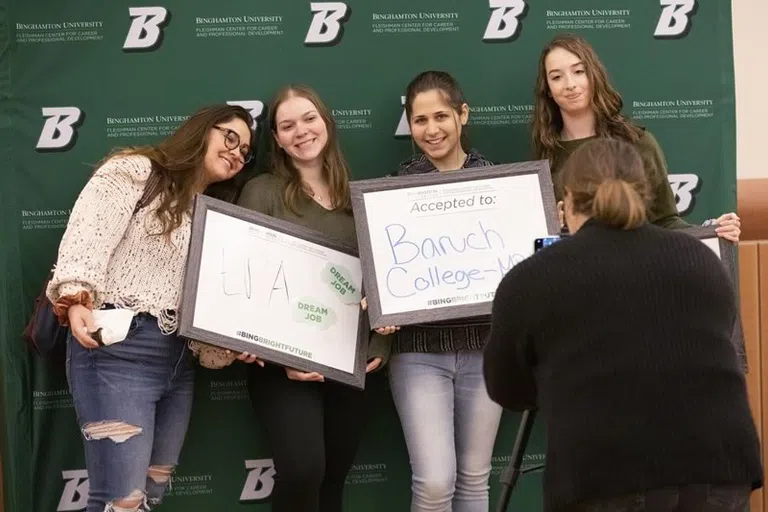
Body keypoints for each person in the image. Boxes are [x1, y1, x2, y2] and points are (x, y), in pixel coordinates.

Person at [483, 138, 763, 512]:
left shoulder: (531, 279)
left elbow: (508, 389)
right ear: (649, 194)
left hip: (603, 480)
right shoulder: (701, 260)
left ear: (565, 202)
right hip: (719, 473)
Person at [45, 104, 256, 512]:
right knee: (120, 501)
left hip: (178, 362)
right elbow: (88, 236)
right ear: (200, 129)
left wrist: (230, 344)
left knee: (149, 496)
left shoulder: (217, 218)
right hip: (117, 351)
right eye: (230, 136)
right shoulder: (137, 171)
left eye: (245, 150)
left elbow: (211, 306)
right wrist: (76, 298)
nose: (236, 152)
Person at [235, 84, 391, 512]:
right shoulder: (262, 192)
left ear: (326, 123)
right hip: (283, 368)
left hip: (351, 364)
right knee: (303, 470)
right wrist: (282, 353)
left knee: (331, 481)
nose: (300, 131)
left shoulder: (358, 199)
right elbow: (243, 282)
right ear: (278, 140)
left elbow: (382, 285)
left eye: (309, 119)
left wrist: (380, 343)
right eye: (287, 125)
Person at [387, 70, 503, 512]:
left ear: (462, 114)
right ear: (409, 125)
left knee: (475, 481)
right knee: (435, 483)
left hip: (485, 350)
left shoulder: (498, 182)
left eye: (441, 116)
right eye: (420, 120)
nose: (431, 129)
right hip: (419, 352)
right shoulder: (395, 186)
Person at [532, 33, 741, 242]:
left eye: (578, 71)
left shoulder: (638, 143)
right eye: (556, 77)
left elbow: (665, 223)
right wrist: (556, 229)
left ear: (594, 75)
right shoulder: (545, 156)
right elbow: (542, 239)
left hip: (636, 270)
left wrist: (711, 231)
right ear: (548, 89)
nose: (570, 84)